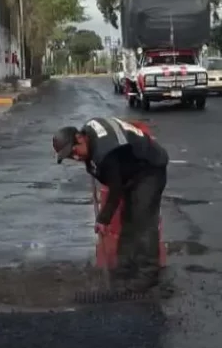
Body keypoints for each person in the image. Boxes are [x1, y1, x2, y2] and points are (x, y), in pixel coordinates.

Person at [52, 117, 169, 292]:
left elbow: (115, 190)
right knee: (128, 219)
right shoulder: (90, 138)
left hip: (149, 168)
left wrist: (103, 219)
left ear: (80, 138)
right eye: (70, 156)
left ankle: (148, 275)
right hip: (130, 169)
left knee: (143, 221)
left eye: (74, 151)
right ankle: (125, 268)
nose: (75, 157)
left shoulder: (105, 152)